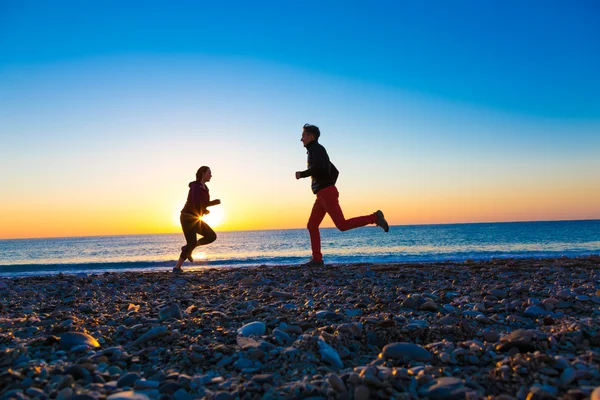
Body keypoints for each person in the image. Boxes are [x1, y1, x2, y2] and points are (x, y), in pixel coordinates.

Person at [295, 123, 389, 267]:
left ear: (311, 136)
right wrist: (328, 184)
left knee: (342, 225)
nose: (301, 139)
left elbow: (319, 168)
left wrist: (303, 174)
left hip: (326, 193)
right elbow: (335, 171)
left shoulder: (317, 149)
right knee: (312, 225)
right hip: (322, 193)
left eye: (303, 136)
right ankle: (317, 260)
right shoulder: (316, 151)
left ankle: (375, 217)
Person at [173, 166, 221, 273]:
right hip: (187, 218)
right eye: (209, 173)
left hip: (195, 218)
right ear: (203, 173)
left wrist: (205, 209)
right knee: (191, 243)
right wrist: (211, 204)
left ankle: (188, 247)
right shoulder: (195, 187)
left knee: (211, 236)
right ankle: (177, 268)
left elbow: (201, 204)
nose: (211, 175)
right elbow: (195, 202)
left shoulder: (205, 188)